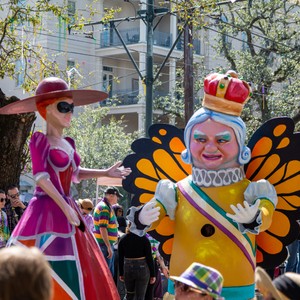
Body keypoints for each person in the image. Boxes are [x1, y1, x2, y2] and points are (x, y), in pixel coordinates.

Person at [127, 71, 277, 299]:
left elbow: (266, 213)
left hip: (235, 287)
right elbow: (156, 214)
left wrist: (256, 216)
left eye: (222, 140)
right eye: (201, 139)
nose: (210, 147)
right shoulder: (175, 190)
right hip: (184, 290)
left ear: (240, 147)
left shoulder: (252, 190)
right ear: (189, 142)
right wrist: (143, 218)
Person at [0, 76, 131, 299]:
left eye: (72, 107)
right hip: (46, 209)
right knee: (47, 258)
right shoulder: (39, 140)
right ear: (46, 109)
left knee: (81, 265)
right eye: (64, 107)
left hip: (69, 210)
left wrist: (105, 172)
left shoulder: (68, 143)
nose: (70, 112)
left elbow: (76, 174)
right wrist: (65, 207)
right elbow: (41, 178)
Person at [118, 222, 156, 300]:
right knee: (140, 296)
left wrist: (121, 273)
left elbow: (120, 258)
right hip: (142, 268)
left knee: (129, 295)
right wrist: (153, 274)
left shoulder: (123, 239)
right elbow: (149, 257)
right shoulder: (144, 239)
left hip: (127, 268)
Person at [94, 186, 124, 276]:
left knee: (107, 273)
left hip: (105, 244)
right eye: (117, 196)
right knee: (106, 274)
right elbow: (102, 228)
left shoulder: (105, 206)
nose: (117, 198)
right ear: (111, 196)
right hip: (104, 245)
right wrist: (108, 246)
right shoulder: (104, 208)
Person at [145, 232, 169, 300]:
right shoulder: (155, 238)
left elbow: (158, 255)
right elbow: (158, 255)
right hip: (151, 265)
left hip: (139, 265)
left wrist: (163, 267)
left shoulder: (141, 234)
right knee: (152, 291)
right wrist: (163, 267)